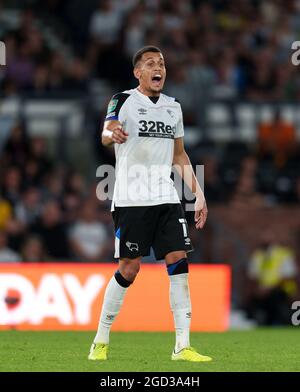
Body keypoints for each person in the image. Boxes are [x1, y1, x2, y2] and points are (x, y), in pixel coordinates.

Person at [88, 46, 210, 363]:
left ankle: (182, 346)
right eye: (151, 63)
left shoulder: (173, 107)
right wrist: (110, 133)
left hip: (166, 196)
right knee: (129, 269)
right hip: (131, 199)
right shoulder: (124, 99)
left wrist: (198, 192)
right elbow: (106, 131)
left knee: (178, 260)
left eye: (162, 63)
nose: (159, 68)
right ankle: (100, 339)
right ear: (137, 72)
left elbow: (179, 155)